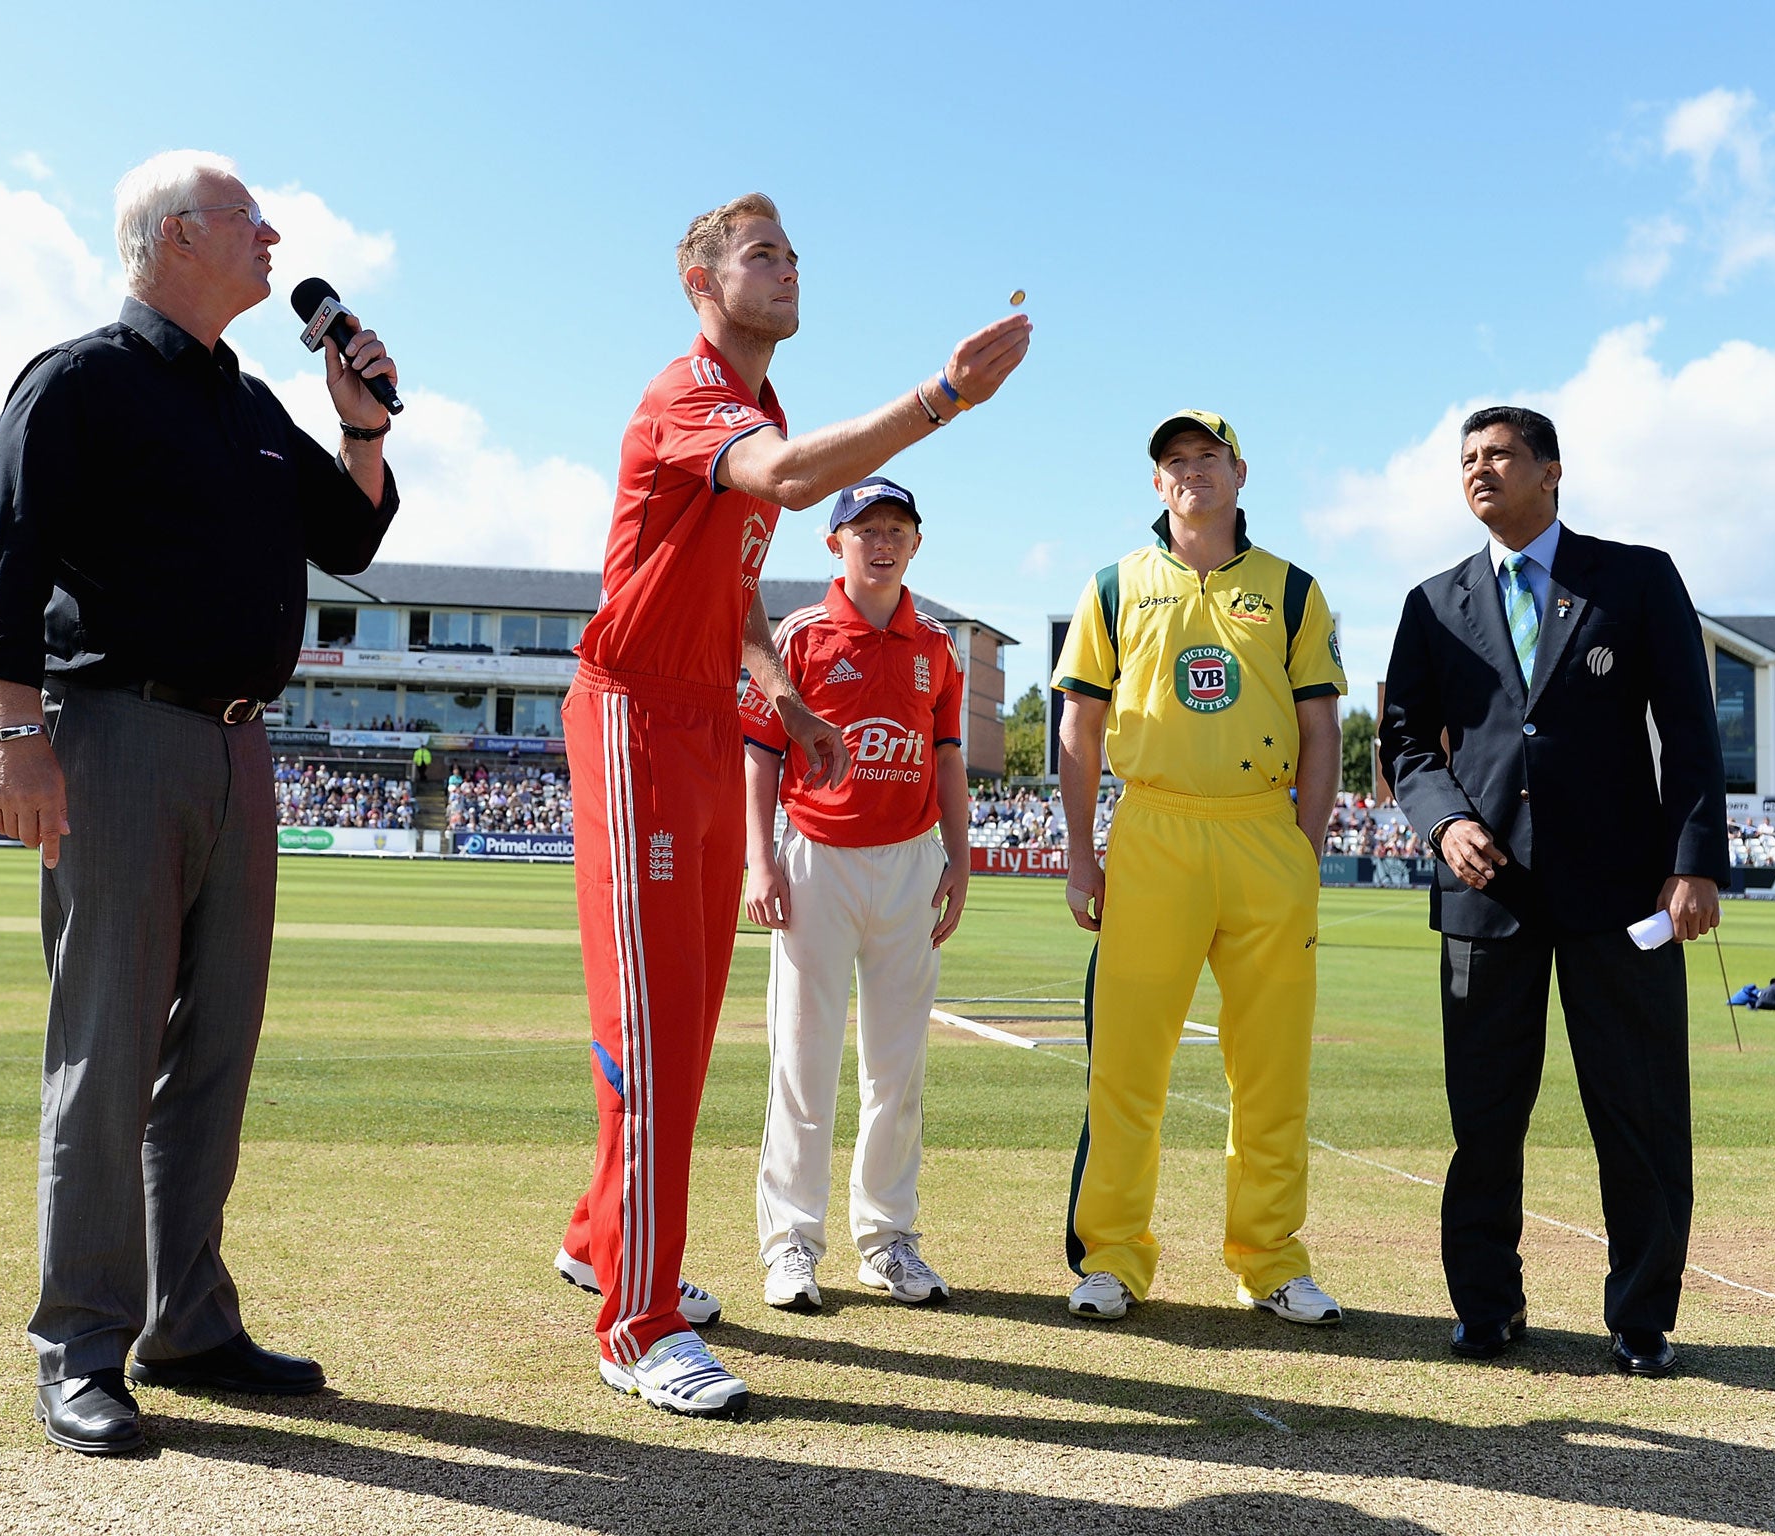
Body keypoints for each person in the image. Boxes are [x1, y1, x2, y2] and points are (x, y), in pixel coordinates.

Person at [554, 193, 1029, 1419]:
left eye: (793, 252)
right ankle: (638, 1324)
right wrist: (941, 400)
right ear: (699, 280)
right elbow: (790, 473)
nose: (787, 268)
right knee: (657, 1030)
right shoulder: (694, 397)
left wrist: (788, 702)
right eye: (761, 254)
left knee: (685, 1020)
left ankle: (603, 1240)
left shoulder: (752, 404)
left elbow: (740, 595)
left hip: (713, 717)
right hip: (638, 717)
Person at [0, 149, 401, 1454]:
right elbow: (3, 565)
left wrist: (361, 423)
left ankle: (187, 1321)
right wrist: (15, 741)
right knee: (106, 1048)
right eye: (248, 219)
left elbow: (352, 536)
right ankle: (81, 1343)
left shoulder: (255, 401)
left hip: (238, 747)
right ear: (172, 240)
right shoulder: (79, 381)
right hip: (114, 737)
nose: (274, 238)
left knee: (214, 1050)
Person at [1379, 405, 1726, 1378]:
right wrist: (1444, 822)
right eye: (1465, 459)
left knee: (1639, 1110)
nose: (1477, 471)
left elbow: (1689, 732)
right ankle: (1485, 1308)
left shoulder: (1636, 578)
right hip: (1485, 900)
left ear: (1550, 471)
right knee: (1483, 1117)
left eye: (1498, 455)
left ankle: (1641, 1317)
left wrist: (1693, 862)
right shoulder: (1432, 602)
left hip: (1623, 897)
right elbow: (1404, 746)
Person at [1053, 410, 1347, 1326]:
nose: (1192, 474)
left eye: (1207, 459)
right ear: (1157, 484)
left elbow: (1320, 728)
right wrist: (1079, 853)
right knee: (1127, 1063)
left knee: (1270, 1068)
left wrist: (1301, 846)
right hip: (1155, 832)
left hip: (1263, 833)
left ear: (1240, 472)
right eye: (1175, 463)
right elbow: (1079, 728)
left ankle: (1270, 1260)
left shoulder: (1292, 590)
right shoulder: (1115, 586)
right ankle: (1111, 1255)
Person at [741, 477, 968, 1314]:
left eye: (897, 528)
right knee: (803, 1065)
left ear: (916, 543)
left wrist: (960, 856)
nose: (882, 541)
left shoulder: (936, 643)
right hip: (817, 861)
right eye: (864, 527)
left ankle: (888, 1241)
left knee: (896, 1068)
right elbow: (761, 752)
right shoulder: (799, 635)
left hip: (909, 862)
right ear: (834, 543)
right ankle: (792, 1246)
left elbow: (947, 756)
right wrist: (760, 862)